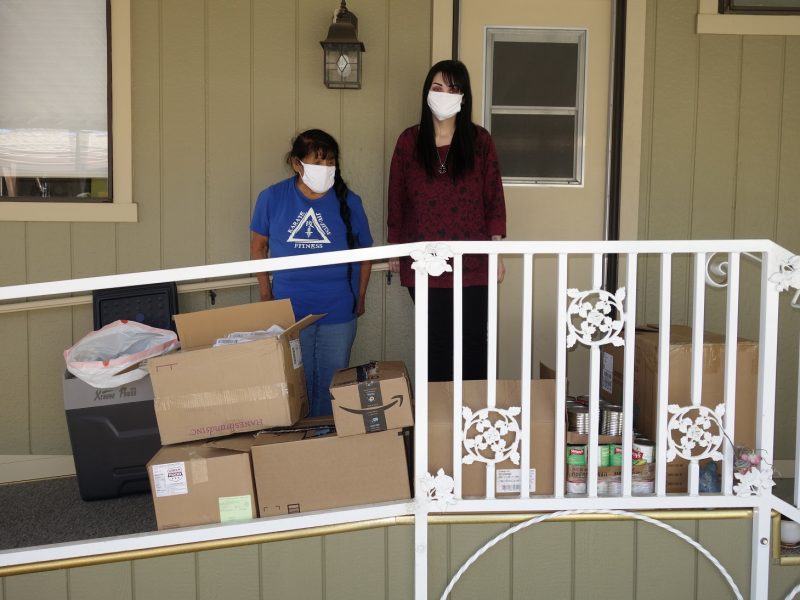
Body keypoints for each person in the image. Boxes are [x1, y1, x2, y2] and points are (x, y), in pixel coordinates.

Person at [387, 60, 506, 382]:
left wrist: (496, 252)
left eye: (452, 89)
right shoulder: (409, 141)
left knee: (473, 341)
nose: (444, 95)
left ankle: (474, 410)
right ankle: (438, 412)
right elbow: (397, 197)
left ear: (463, 96)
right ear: (426, 93)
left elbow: (493, 197)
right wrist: (394, 247)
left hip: (473, 260)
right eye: (437, 88)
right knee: (435, 343)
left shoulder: (480, 141)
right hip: (424, 260)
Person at [250, 129, 373, 417]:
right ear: (296, 164)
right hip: (291, 310)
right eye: (318, 163)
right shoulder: (272, 198)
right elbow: (258, 249)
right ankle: (301, 438)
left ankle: (326, 435)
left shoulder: (349, 201)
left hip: (339, 308)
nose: (326, 168)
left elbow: (365, 254)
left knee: (332, 382)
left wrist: (360, 296)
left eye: (331, 162)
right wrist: (266, 296)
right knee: (296, 383)